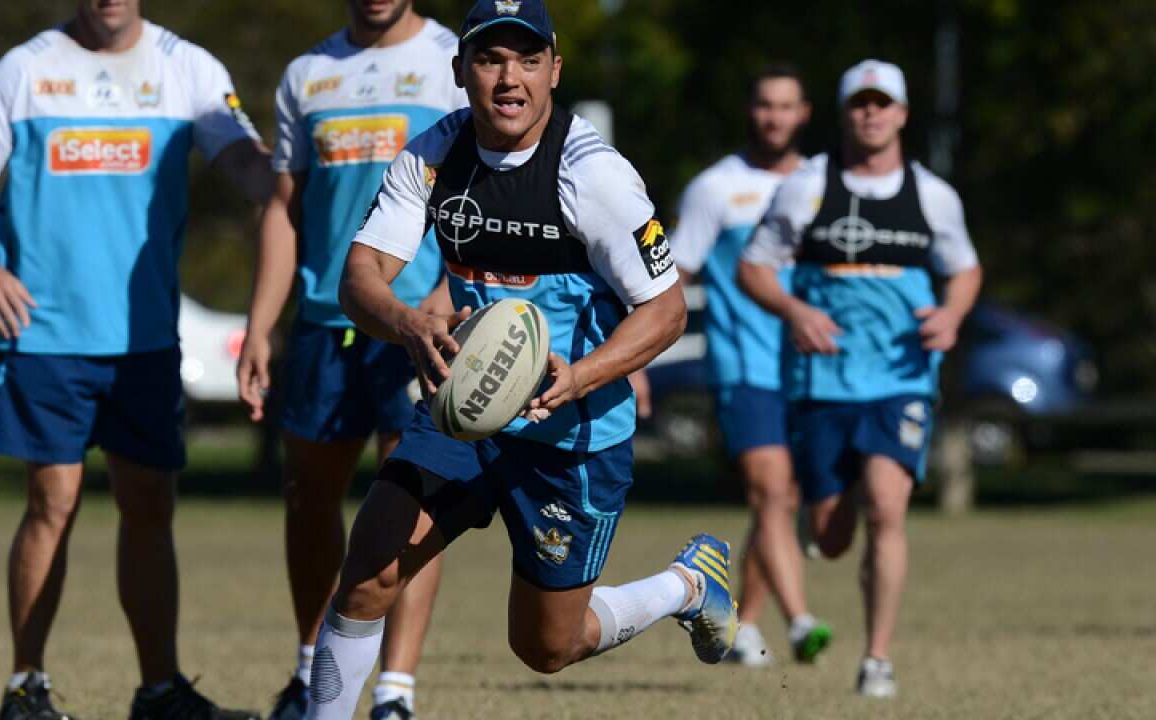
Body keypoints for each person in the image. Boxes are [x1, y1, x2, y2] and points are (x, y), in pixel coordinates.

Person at [298, 2, 739, 717]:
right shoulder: (433, 155)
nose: (510, 79)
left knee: (547, 646)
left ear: (554, 71)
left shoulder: (593, 175)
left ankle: (686, 586)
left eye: (529, 61)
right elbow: (359, 277)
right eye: (491, 60)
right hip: (466, 411)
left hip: (573, 436)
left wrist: (581, 376)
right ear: (460, 71)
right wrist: (408, 323)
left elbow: (666, 311)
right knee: (368, 571)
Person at [0, 1, 273, 718]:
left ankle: (159, 691)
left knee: (150, 505)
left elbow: (252, 170)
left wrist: (296, 172)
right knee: (52, 503)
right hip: (44, 334)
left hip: (145, 340)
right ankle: (24, 686)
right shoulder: (27, 69)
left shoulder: (187, 68)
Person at [234, 2, 466, 718]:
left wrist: (445, 292)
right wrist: (259, 324)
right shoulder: (307, 73)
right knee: (308, 497)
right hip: (324, 320)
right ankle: (313, 674)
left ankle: (395, 690)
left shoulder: (451, 60)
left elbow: (480, 188)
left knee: (413, 500)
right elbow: (285, 207)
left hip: (419, 322)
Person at [739, 59, 982, 698]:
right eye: (860, 103)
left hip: (901, 379)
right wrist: (795, 311)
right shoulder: (807, 188)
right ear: (845, 113)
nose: (871, 114)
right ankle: (817, 525)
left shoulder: (931, 195)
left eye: (883, 103)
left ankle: (877, 659)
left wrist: (951, 316)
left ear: (901, 114)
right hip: (822, 382)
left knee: (886, 506)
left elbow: (965, 269)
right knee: (831, 537)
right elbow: (754, 268)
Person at [667, 63, 832, 667]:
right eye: (765, 105)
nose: (774, 117)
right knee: (770, 490)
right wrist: (632, 359)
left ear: (804, 113)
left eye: (786, 106)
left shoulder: (824, 184)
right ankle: (801, 622)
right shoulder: (715, 188)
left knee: (784, 503)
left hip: (811, 371)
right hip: (743, 364)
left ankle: (741, 625)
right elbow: (673, 277)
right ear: (750, 110)